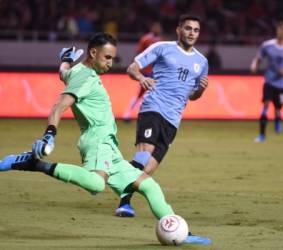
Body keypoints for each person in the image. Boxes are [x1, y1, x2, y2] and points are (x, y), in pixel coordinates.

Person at [0, 33, 211, 245]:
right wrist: (49, 135)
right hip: (96, 140)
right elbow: (59, 105)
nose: (110, 63)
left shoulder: (77, 72)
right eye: (107, 57)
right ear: (93, 53)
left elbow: (64, 73)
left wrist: (65, 60)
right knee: (95, 184)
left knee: (150, 186)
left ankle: (183, 233)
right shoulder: (84, 77)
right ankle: (34, 163)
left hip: (110, 147)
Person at [115, 14, 209, 219]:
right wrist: (141, 78)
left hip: (173, 119)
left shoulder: (202, 62)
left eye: (196, 30)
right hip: (153, 108)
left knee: (149, 168)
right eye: (188, 28)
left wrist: (200, 91)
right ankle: (124, 203)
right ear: (178, 30)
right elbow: (132, 68)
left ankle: (117, 177)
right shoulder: (162, 48)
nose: (192, 33)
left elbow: (192, 96)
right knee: (143, 154)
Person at [250, 21, 283, 142]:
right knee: (266, 104)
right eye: (280, 29)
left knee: (278, 108)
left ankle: (278, 118)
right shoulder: (267, 45)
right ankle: (262, 135)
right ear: (277, 31)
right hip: (269, 81)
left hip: (282, 84)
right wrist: (254, 66)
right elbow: (258, 58)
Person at [122, 21, 163, 121]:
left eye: (159, 27)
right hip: (146, 71)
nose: (157, 29)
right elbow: (139, 52)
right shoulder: (146, 39)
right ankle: (128, 113)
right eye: (156, 27)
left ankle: (149, 114)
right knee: (141, 93)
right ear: (152, 28)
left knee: (154, 94)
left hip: (155, 72)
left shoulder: (161, 41)